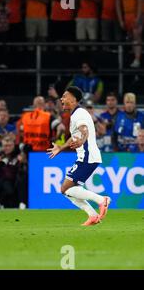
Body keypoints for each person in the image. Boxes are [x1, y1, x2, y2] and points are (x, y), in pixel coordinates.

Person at [47, 86, 111, 226]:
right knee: (67, 191)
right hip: (86, 156)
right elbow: (74, 137)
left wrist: (82, 139)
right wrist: (61, 147)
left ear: (74, 99)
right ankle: (93, 215)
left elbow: (84, 130)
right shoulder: (75, 114)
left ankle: (101, 200)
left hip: (88, 156)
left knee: (65, 189)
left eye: (64, 96)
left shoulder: (79, 114)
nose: (61, 99)